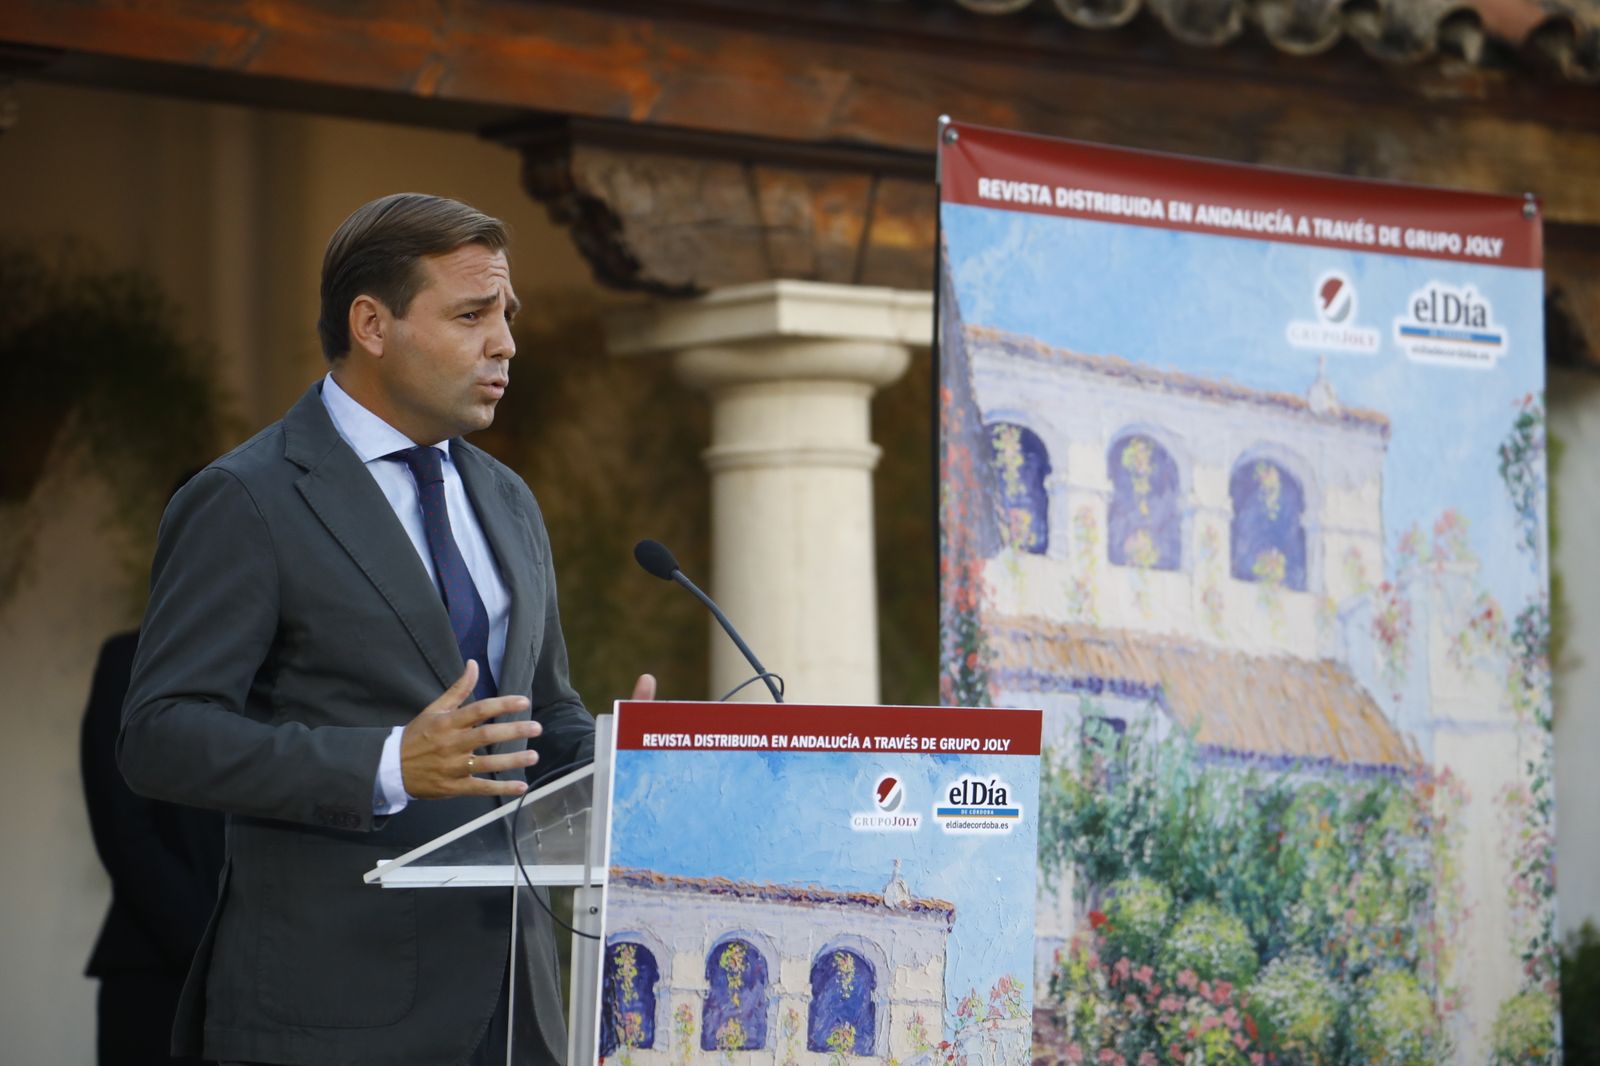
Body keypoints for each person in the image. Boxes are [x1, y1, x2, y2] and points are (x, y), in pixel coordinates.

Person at [118, 193, 653, 1066]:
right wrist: (385, 765)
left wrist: (622, 760)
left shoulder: (509, 498)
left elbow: (537, 721)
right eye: (472, 315)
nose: (506, 343)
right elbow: (161, 735)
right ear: (373, 323)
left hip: (515, 1007)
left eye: (506, 316)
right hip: (332, 1010)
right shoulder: (246, 497)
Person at [82, 625, 225, 1066]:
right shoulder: (131, 658)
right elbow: (120, 822)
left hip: (280, 979)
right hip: (158, 966)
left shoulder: (296, 662)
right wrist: (211, 948)